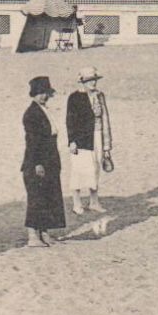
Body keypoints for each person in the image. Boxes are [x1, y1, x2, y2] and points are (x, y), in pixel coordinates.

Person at [20, 76, 67, 247]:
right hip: (37, 161)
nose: (44, 96)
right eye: (40, 93)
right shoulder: (31, 114)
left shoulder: (43, 110)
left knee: (49, 196)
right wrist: (37, 163)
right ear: (33, 94)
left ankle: (45, 233)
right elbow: (32, 141)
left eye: (45, 93)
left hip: (50, 159)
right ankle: (33, 235)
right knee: (37, 197)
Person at [66, 67, 112, 215]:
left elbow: (105, 119)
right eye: (89, 81)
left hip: (97, 135)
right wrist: (72, 140)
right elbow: (70, 121)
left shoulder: (100, 96)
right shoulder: (74, 97)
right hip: (81, 139)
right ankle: (77, 203)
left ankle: (94, 201)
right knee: (79, 170)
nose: (93, 83)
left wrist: (106, 145)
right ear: (83, 82)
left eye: (94, 80)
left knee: (95, 168)